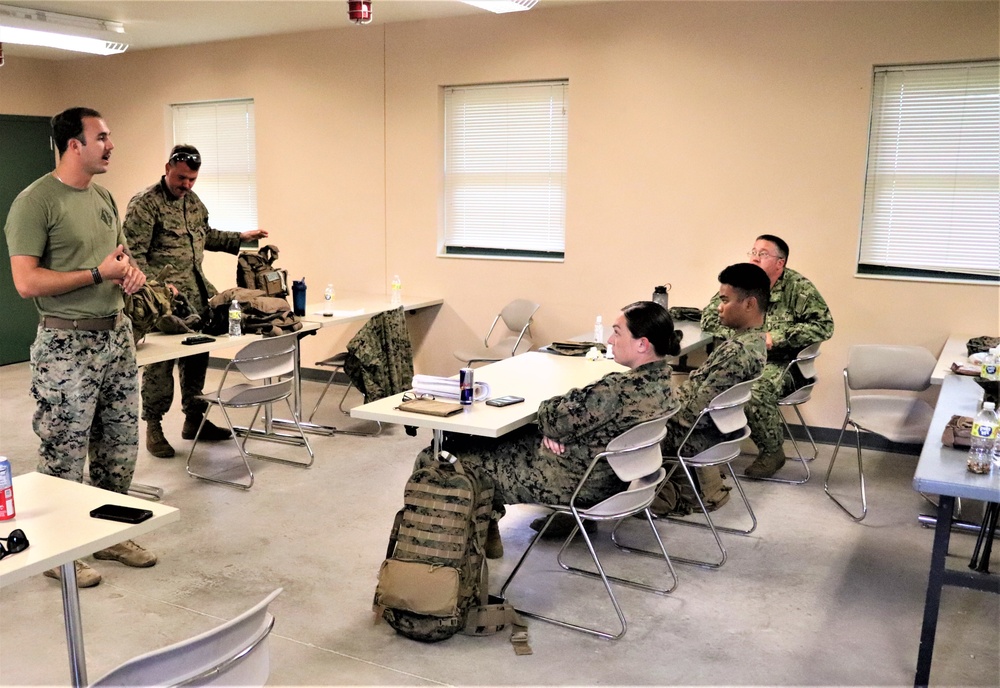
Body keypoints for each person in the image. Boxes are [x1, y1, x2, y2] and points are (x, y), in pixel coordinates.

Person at [3, 107, 155, 588]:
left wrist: (129, 273)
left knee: (118, 447)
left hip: (116, 337)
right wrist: (97, 274)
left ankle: (107, 534)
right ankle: (57, 550)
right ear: (74, 144)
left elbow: (119, 256)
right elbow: (26, 282)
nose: (111, 145)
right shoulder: (36, 202)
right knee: (63, 453)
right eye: (102, 137)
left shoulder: (104, 196)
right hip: (67, 345)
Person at [414, 301, 680, 558]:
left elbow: (551, 415)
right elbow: (566, 422)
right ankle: (486, 531)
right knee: (502, 437)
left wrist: (553, 427)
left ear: (642, 344)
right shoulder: (664, 384)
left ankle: (432, 561)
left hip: (571, 480)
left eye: (617, 332)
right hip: (609, 478)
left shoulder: (615, 391)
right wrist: (556, 431)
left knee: (438, 458)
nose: (610, 340)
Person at [123, 145, 269, 458]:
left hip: (196, 294)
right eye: (180, 178)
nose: (186, 184)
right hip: (160, 299)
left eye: (192, 179)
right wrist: (160, 288)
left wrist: (239, 238)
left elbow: (205, 235)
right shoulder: (145, 204)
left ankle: (194, 419)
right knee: (161, 363)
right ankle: (154, 426)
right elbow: (133, 254)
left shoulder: (193, 202)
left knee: (198, 355)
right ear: (167, 168)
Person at [701, 235, 834, 478]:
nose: (754, 257)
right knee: (709, 383)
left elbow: (824, 326)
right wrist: (749, 334)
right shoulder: (742, 282)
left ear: (779, 263)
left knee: (754, 388)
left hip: (783, 363)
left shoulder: (798, 288)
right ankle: (709, 451)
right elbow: (709, 319)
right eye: (752, 251)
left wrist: (778, 337)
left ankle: (772, 452)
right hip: (744, 355)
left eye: (762, 254)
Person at [653, 263, 769, 515]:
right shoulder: (753, 342)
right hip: (714, 432)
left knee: (612, 426)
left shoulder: (737, 352)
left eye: (725, 300)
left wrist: (651, 411)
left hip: (693, 436)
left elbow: (690, 416)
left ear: (749, 304)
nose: (719, 306)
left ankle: (586, 505)